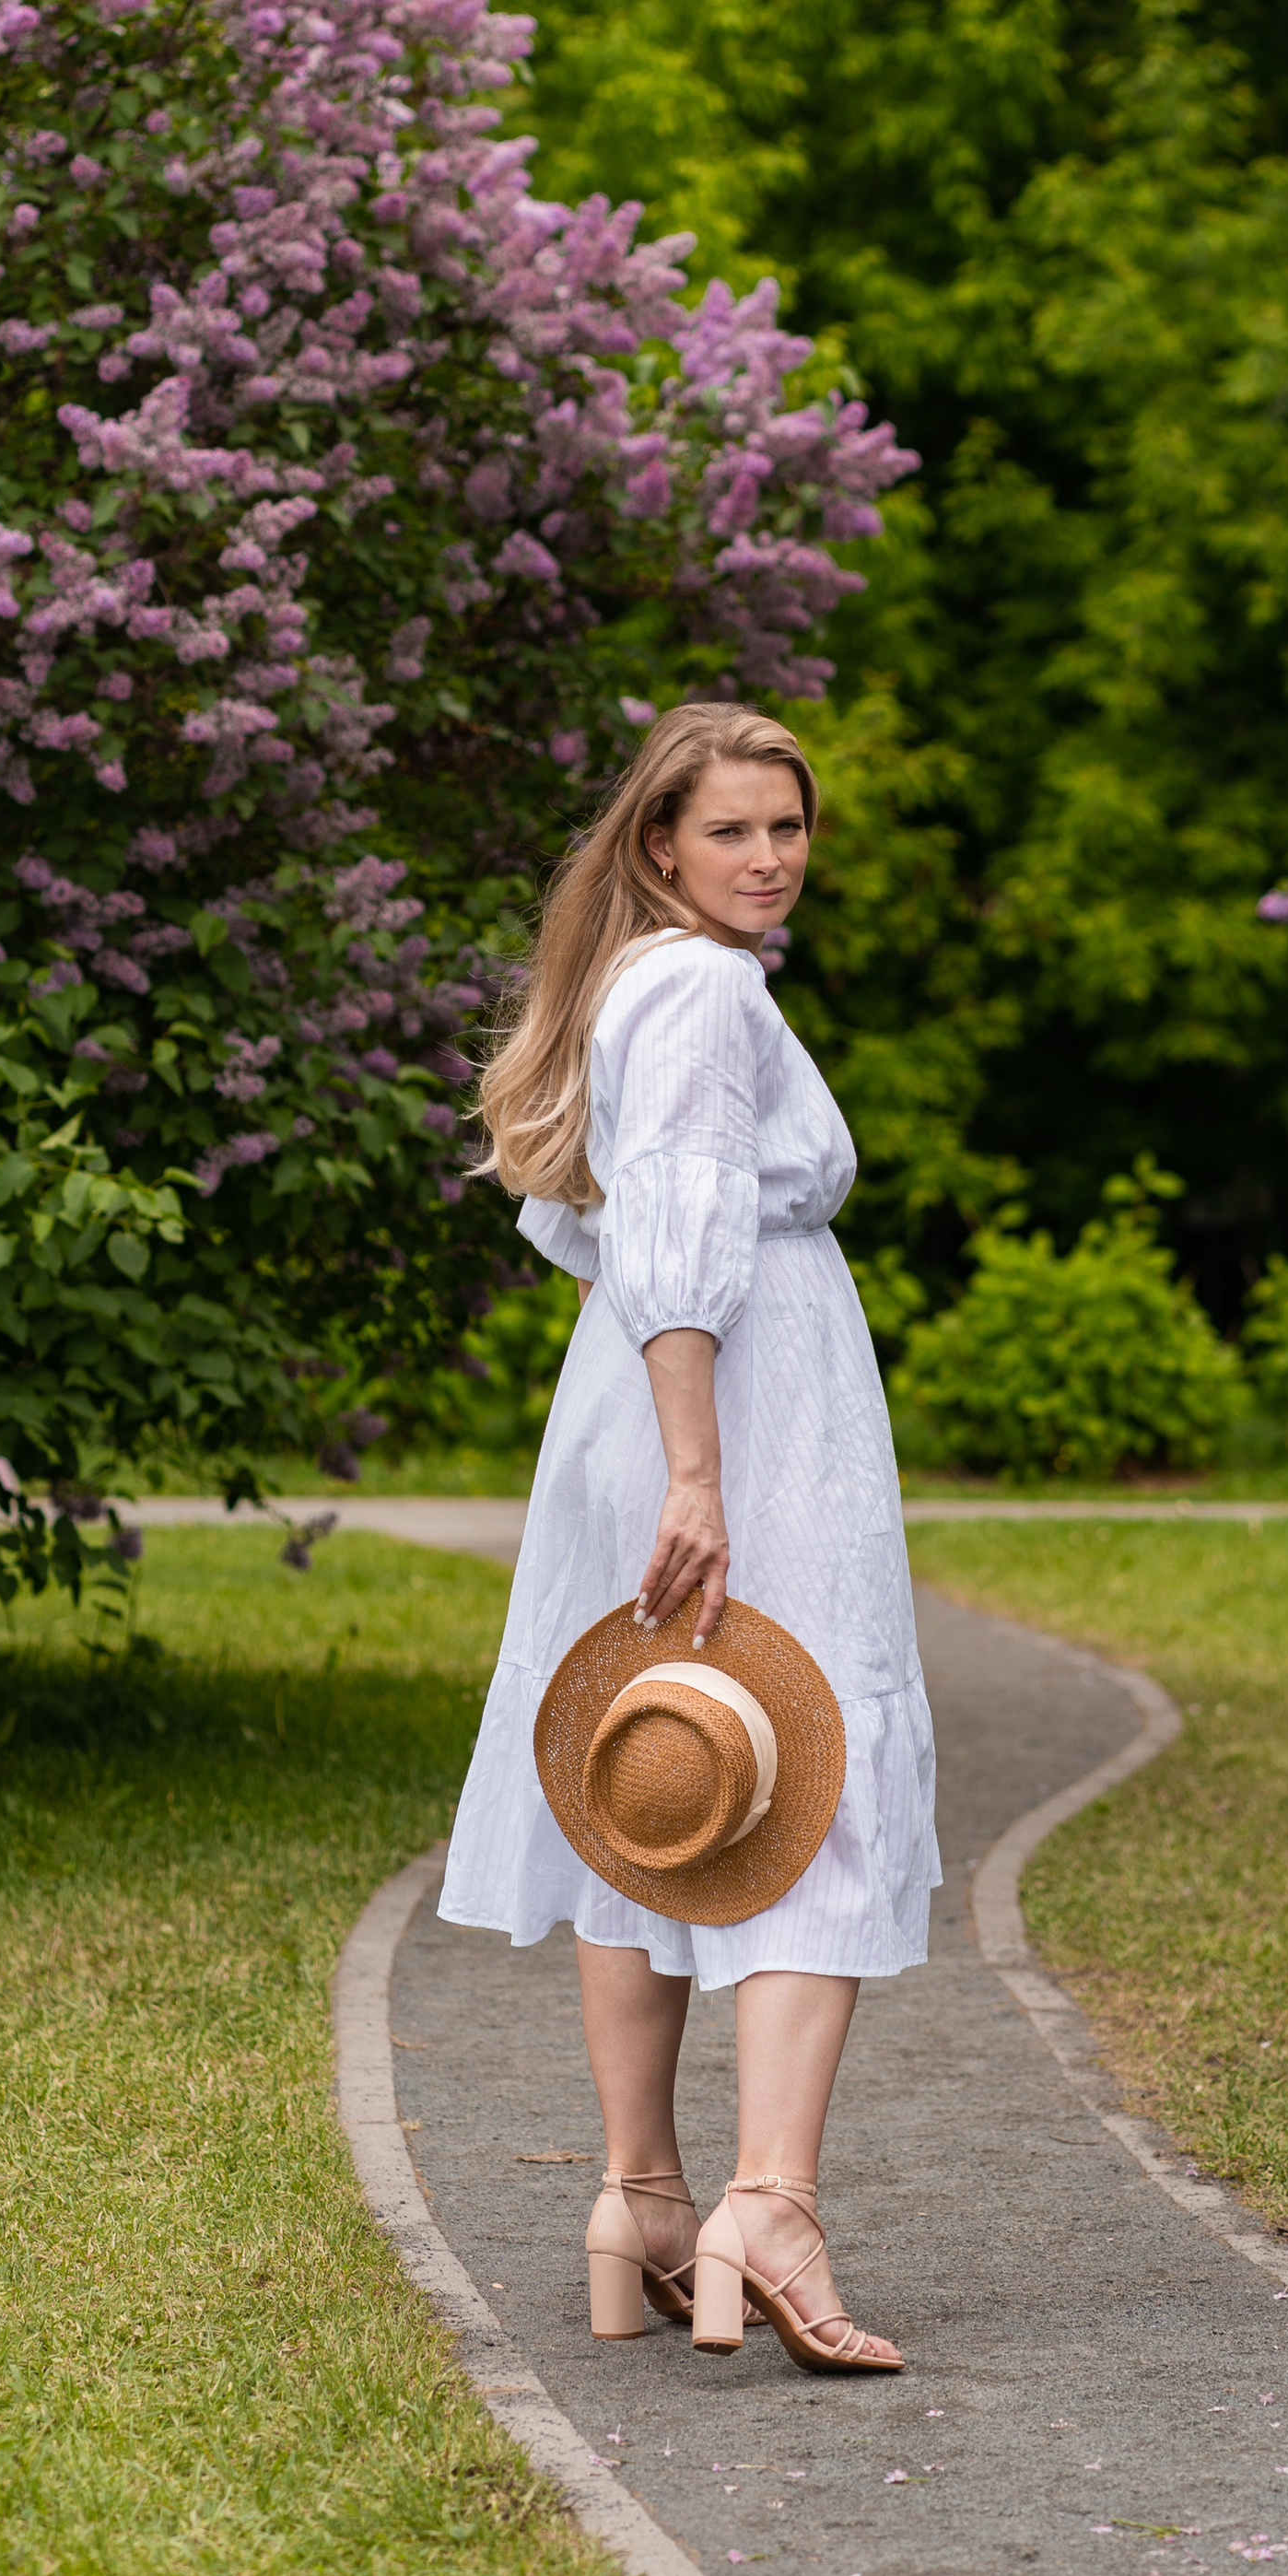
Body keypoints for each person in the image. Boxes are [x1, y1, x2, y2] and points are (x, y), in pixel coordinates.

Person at [439, 700, 938, 2374]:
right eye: (732, 831)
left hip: (638, 1398)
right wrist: (703, 1475)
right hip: (734, 1400)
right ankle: (769, 2203)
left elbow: (596, 1231)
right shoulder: (708, 992)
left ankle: (642, 2199)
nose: (771, 859)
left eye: (788, 828)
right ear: (661, 847)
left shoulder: (629, 986)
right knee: (806, 1770)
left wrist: (657, 1446)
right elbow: (679, 1234)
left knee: (647, 1781)